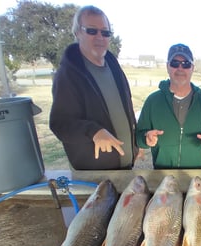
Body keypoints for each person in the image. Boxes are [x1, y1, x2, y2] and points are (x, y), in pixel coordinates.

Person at [49, 5, 139, 170]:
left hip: (125, 168)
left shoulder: (114, 67)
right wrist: (93, 131)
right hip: (95, 173)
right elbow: (60, 124)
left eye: (105, 32)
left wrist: (134, 146)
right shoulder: (69, 74)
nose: (100, 37)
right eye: (92, 31)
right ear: (77, 33)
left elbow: (125, 110)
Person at [135, 44, 201, 169]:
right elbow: (138, 137)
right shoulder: (152, 101)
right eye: (175, 63)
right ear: (167, 66)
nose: (180, 68)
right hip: (162, 174)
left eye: (186, 63)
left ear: (192, 67)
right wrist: (145, 138)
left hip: (195, 176)